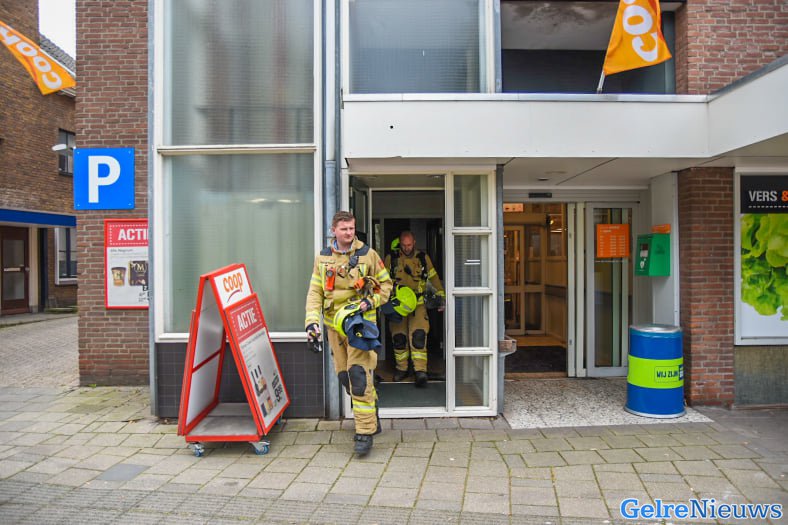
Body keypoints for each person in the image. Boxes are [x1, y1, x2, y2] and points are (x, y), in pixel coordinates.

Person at [305, 211, 392, 455]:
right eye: (344, 229)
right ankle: (371, 408)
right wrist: (312, 323)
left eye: (352, 228)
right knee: (345, 378)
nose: (349, 233)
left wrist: (370, 302)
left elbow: (386, 286)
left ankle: (364, 432)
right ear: (334, 230)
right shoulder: (322, 258)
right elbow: (315, 293)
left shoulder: (368, 255)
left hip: (360, 328)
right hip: (334, 327)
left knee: (358, 376)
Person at [384, 230, 445, 387]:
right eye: (404, 245)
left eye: (409, 245)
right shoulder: (392, 259)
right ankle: (402, 369)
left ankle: (420, 371)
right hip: (398, 306)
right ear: (400, 243)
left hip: (418, 305)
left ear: (414, 242)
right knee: (399, 339)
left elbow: (434, 278)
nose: (407, 248)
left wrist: (441, 298)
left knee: (419, 337)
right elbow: (383, 282)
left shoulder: (423, 259)